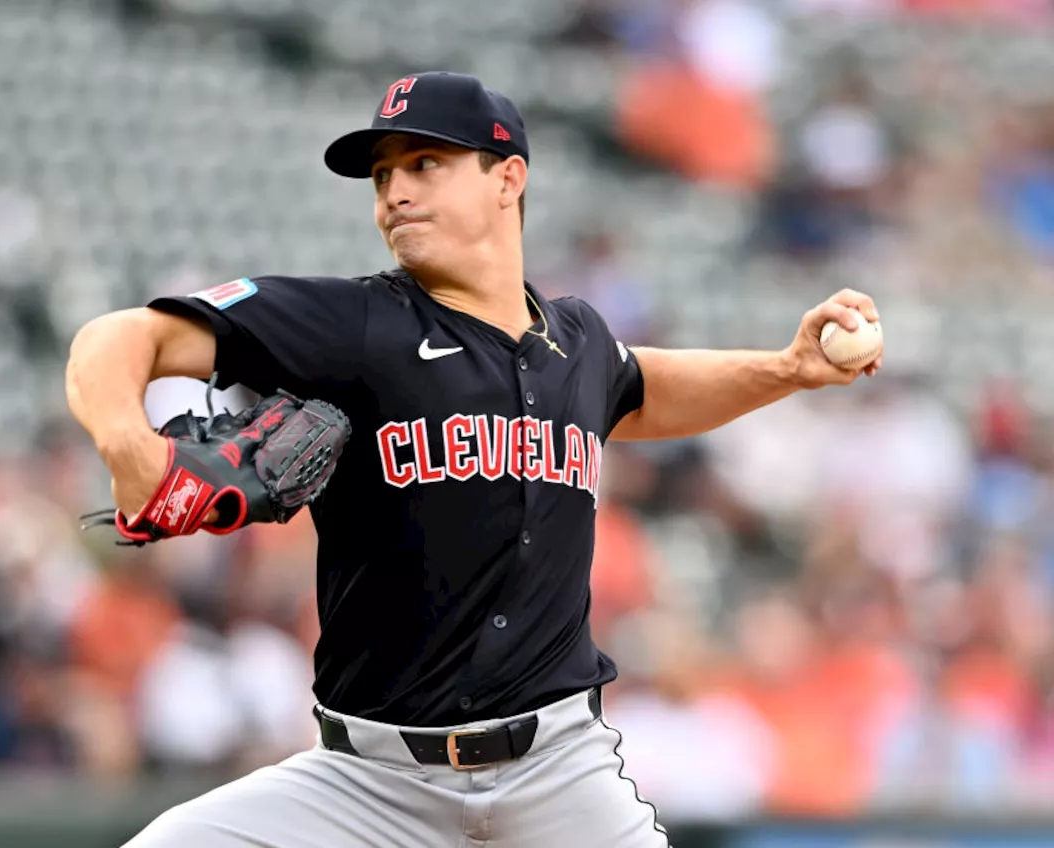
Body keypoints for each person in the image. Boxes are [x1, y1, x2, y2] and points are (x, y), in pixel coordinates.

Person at [64, 71, 882, 848]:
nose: (395, 192)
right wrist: (128, 443)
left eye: (425, 163)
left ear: (508, 177)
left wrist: (788, 369)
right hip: (368, 785)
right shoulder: (353, 325)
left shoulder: (578, 343)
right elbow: (122, 337)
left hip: (560, 774)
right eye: (382, 175)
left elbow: (647, 386)